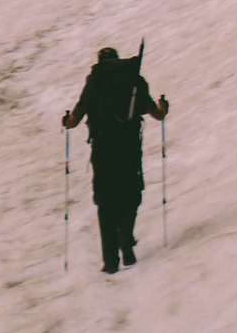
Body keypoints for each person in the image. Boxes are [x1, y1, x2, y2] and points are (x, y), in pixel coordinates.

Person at [63, 46, 168, 273]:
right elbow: (156, 114)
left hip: (102, 150)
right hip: (128, 147)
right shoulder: (133, 79)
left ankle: (110, 263)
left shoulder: (94, 83)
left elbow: (74, 119)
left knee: (106, 201)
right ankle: (126, 241)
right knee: (131, 195)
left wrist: (66, 121)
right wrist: (163, 108)